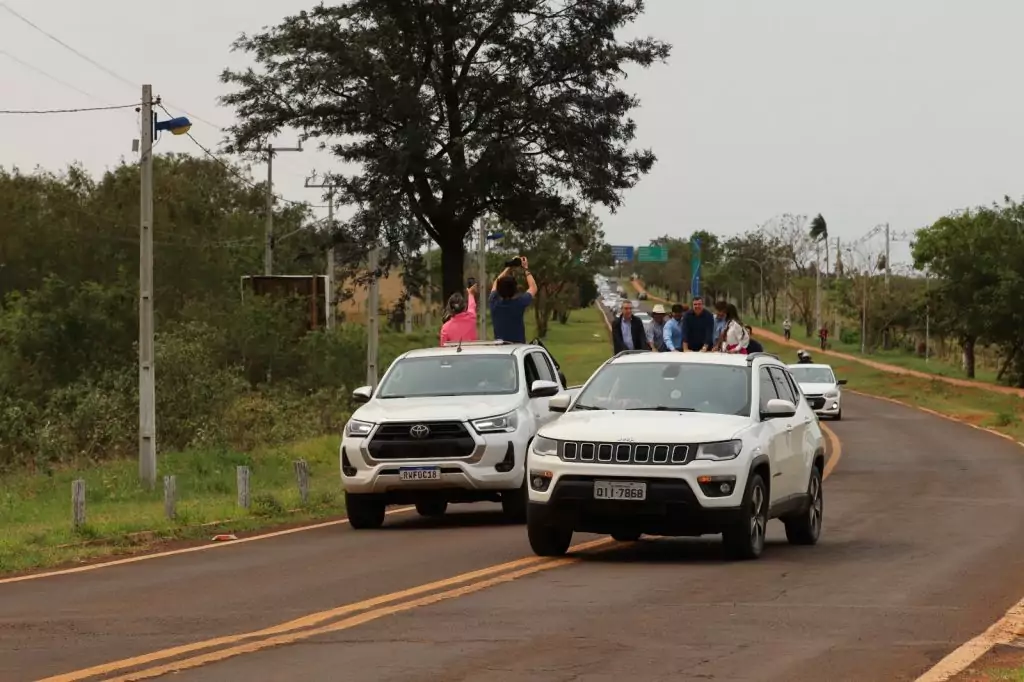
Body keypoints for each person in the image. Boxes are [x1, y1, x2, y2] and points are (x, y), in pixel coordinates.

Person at [488, 256, 538, 343]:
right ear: (515, 290)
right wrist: (526, 269)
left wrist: (509, 267)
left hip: (499, 349)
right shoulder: (519, 303)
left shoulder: (493, 302)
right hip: (518, 348)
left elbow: (496, 282)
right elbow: (533, 288)